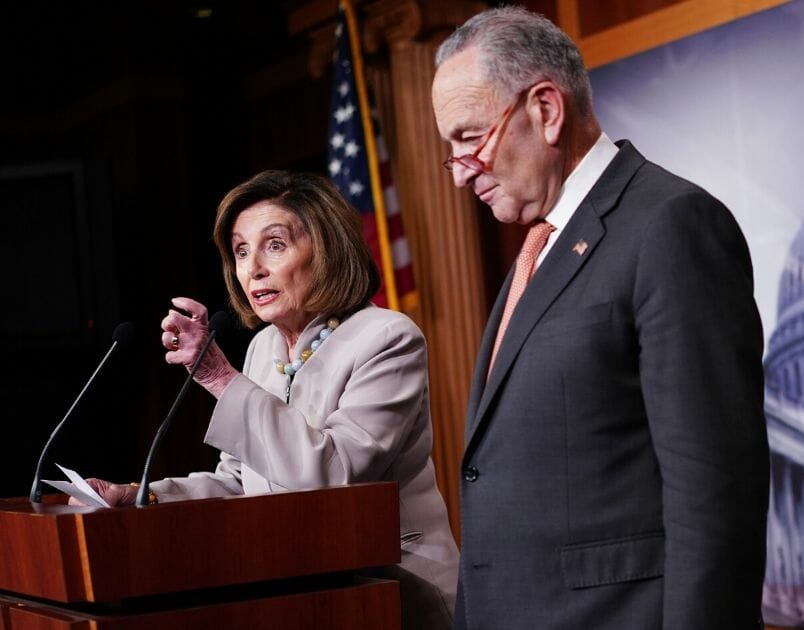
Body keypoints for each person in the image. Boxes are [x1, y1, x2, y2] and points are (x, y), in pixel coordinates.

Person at [431, 7, 768, 629]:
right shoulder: (540, 248)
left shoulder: (671, 225)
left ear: (546, 110)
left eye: (470, 137)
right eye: (450, 149)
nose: (460, 172)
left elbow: (713, 496)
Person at [77, 170, 458, 629]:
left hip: (393, 590)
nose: (252, 268)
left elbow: (336, 476)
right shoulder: (264, 348)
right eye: (240, 251)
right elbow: (241, 484)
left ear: (328, 248)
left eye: (274, 245)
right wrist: (144, 496)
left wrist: (220, 378)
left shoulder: (387, 338)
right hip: (297, 588)